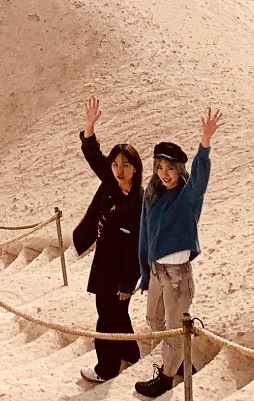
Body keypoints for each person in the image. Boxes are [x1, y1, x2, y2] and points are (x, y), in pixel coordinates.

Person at [134, 108, 222, 398]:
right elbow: (145, 236)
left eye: (169, 168)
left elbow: (200, 177)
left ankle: (167, 377)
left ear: (179, 169)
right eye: (160, 167)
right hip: (157, 272)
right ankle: (182, 362)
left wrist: (205, 143)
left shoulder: (188, 195)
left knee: (174, 327)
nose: (164, 173)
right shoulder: (153, 194)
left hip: (176, 276)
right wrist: (145, 275)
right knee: (154, 321)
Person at [74, 97, 144, 385]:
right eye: (115, 164)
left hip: (121, 270)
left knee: (107, 315)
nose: (118, 170)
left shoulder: (141, 201)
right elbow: (94, 156)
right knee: (117, 314)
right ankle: (131, 353)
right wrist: (89, 126)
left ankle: (107, 368)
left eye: (125, 165)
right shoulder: (112, 184)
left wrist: (128, 283)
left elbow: (139, 244)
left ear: (136, 169)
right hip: (104, 261)